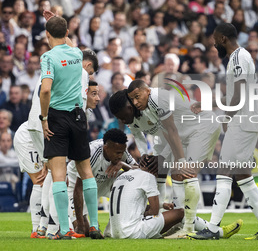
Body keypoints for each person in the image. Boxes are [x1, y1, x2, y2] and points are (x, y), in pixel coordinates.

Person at [109, 89, 242, 239]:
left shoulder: (153, 103)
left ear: (129, 107)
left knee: (186, 173)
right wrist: (145, 154)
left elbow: (172, 132)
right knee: (166, 172)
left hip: (200, 127)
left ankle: (188, 228)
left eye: (122, 116)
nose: (122, 121)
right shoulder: (133, 117)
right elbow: (140, 136)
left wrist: (163, 157)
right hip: (180, 136)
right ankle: (188, 226)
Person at [190, 22, 258, 240]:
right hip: (248, 121)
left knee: (223, 171)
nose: (213, 44)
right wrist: (208, 104)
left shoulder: (238, 58)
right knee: (243, 175)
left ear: (223, 39)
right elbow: (234, 95)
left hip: (242, 122)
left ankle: (212, 227)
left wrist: (226, 118)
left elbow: (237, 95)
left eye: (214, 39)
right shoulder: (241, 57)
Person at [39, 15, 101, 240]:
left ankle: (64, 230)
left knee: (58, 174)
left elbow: (45, 90)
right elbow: (71, 43)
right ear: (66, 34)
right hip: (78, 117)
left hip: (56, 117)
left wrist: (43, 117)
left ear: (47, 35)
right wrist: (58, 22)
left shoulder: (47, 57)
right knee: (86, 172)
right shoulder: (76, 54)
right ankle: (94, 225)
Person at [67, 128, 136, 235]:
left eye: (122, 153)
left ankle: (112, 227)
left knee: (130, 179)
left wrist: (123, 164)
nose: (120, 156)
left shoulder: (121, 150)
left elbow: (139, 171)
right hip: (77, 186)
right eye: (117, 153)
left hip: (104, 181)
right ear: (106, 148)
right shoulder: (91, 152)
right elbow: (79, 188)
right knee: (85, 230)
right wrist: (80, 225)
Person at [109, 166, 184, 239]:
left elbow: (131, 204)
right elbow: (154, 211)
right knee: (180, 212)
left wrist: (162, 205)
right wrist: (145, 214)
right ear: (154, 169)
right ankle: (184, 230)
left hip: (114, 233)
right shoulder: (148, 176)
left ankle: (168, 232)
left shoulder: (122, 176)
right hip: (133, 232)